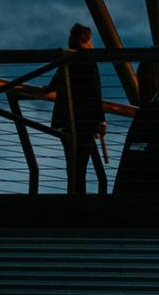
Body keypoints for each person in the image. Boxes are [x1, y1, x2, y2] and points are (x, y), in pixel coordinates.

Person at [49, 23, 106, 194]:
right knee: (81, 165)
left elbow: (54, 84)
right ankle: (78, 200)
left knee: (72, 165)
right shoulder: (89, 60)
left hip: (66, 119)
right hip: (86, 121)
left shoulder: (67, 59)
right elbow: (95, 92)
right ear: (86, 41)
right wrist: (101, 120)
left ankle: (73, 197)